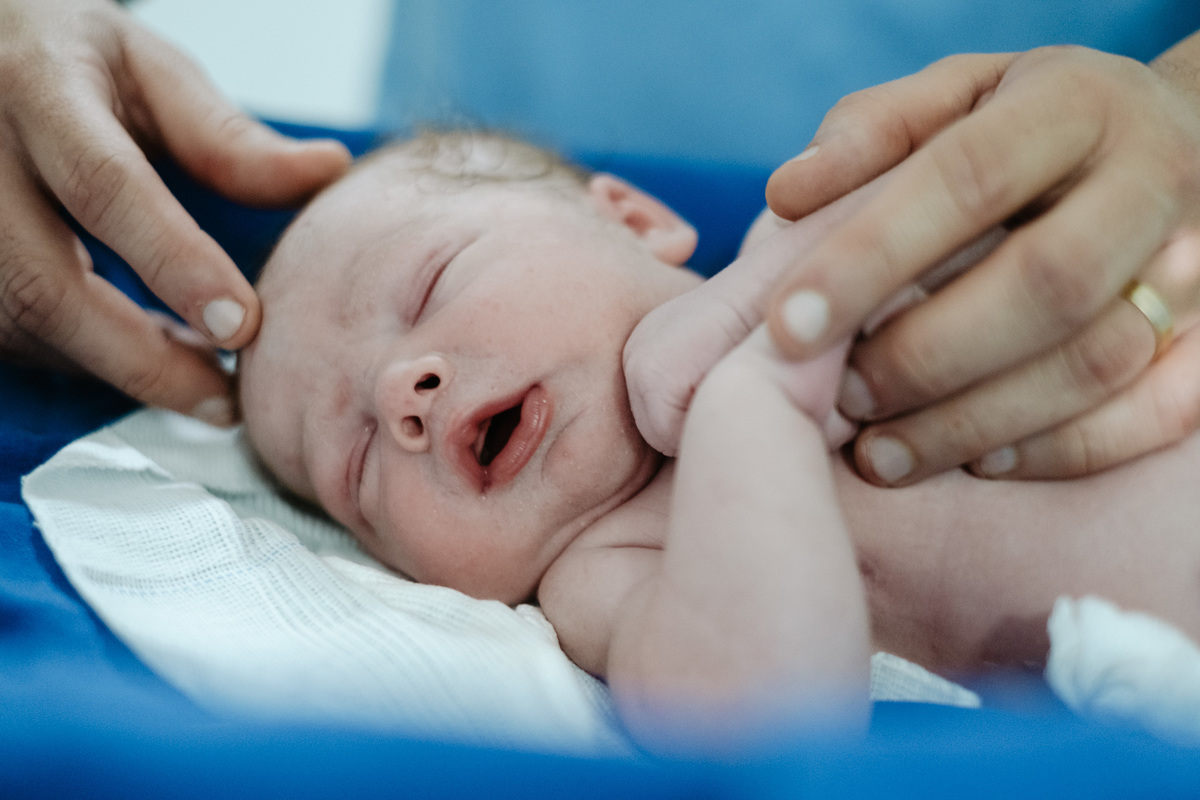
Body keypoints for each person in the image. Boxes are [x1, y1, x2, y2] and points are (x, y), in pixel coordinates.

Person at [237, 131, 1200, 750]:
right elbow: (765, 722)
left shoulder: (808, 240)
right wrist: (757, 395)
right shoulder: (606, 576)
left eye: (431, 283)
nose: (399, 396)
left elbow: (1034, 193)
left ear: (634, 219)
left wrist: (794, 284)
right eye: (356, 466)